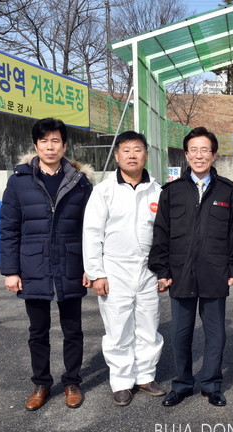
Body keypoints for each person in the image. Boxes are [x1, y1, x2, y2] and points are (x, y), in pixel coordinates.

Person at [0, 117, 93, 411]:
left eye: (55, 141)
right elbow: (9, 228)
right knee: (37, 331)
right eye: (44, 141)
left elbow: (91, 229)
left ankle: (72, 382)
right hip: (33, 266)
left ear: (64, 146)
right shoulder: (19, 182)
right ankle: (41, 384)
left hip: (70, 263)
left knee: (73, 330)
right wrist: (11, 271)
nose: (50, 147)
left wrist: (91, 266)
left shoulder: (80, 183)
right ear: (36, 145)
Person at [148, 126, 233, 408]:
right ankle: (181, 384)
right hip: (180, 273)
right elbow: (161, 234)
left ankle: (211, 384)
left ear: (214, 155)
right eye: (193, 150)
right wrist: (162, 271)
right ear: (186, 154)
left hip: (215, 272)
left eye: (205, 150)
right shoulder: (172, 191)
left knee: (216, 334)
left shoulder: (228, 191)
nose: (199, 155)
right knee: (180, 334)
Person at [82, 131, 167, 406]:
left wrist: (164, 272)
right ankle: (121, 382)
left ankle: (145, 376)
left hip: (147, 270)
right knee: (118, 329)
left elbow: (165, 236)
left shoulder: (157, 191)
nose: (132, 155)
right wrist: (96, 273)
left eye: (138, 150)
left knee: (148, 326)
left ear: (146, 155)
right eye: (126, 150)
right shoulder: (104, 191)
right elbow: (92, 233)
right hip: (114, 269)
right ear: (117, 155)